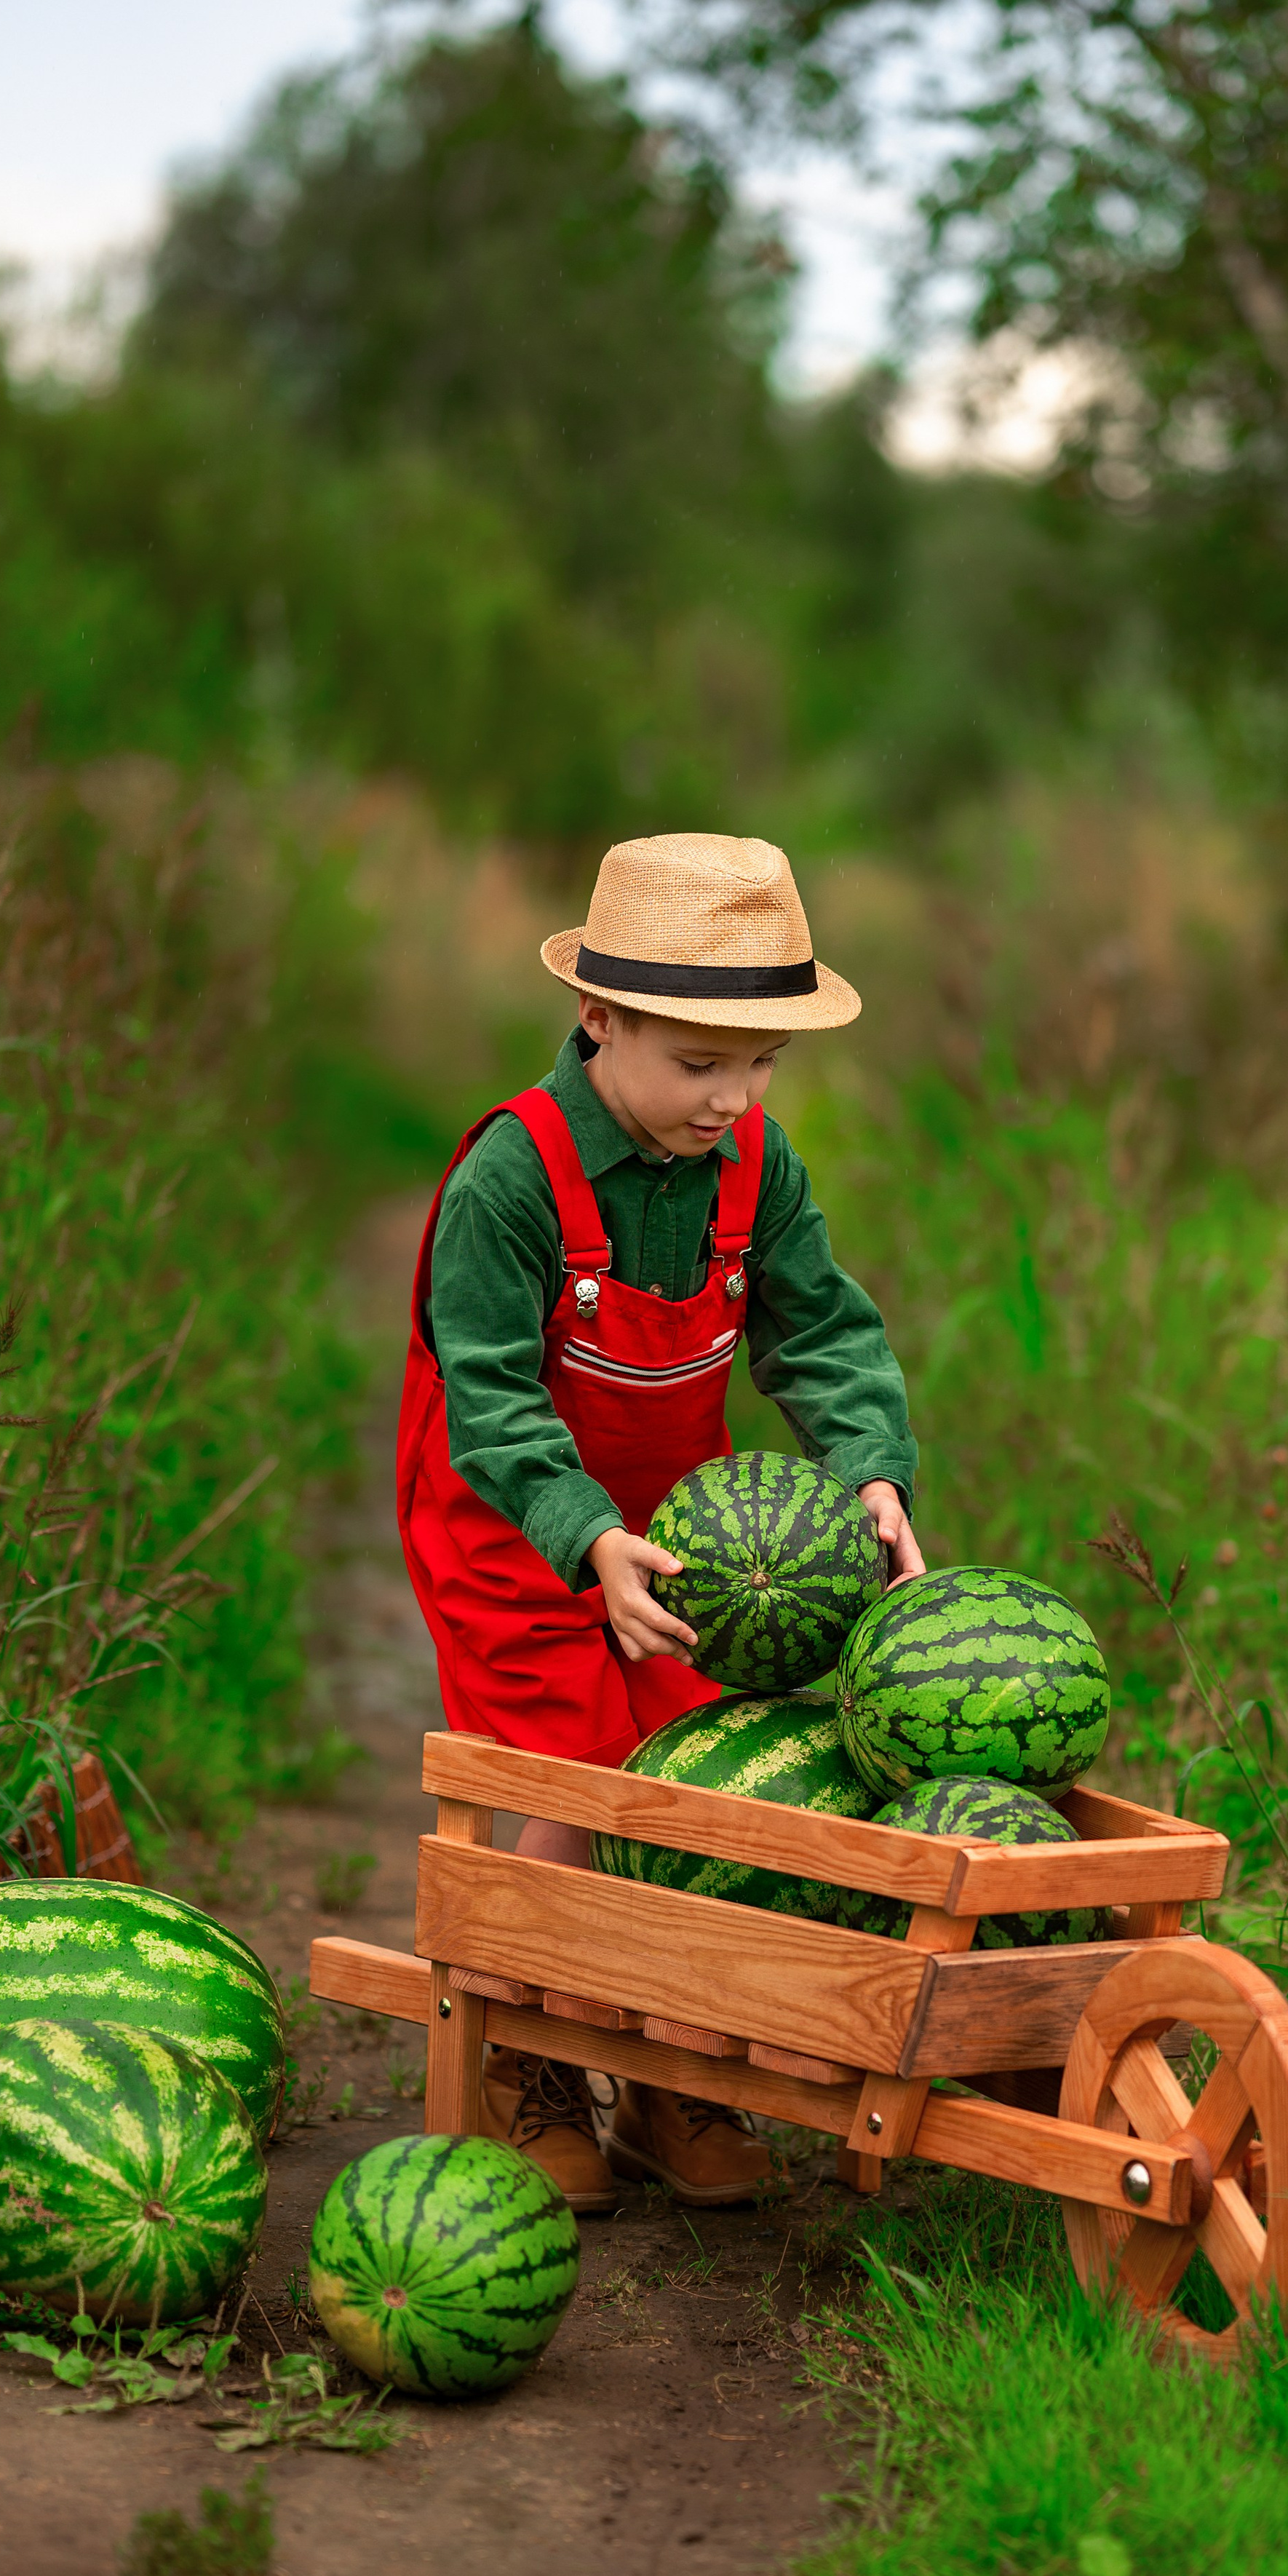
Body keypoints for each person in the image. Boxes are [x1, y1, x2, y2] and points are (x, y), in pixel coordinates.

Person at [397, 833, 921, 2209]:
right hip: (514, 1524)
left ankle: (677, 2071)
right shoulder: (511, 1179)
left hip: (683, 1533)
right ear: (600, 1018)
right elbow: (496, 1403)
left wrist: (870, 1464)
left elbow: (821, 1332)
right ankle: (532, 2062)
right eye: (699, 1063)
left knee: (697, 1772)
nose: (732, 1097)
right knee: (571, 1774)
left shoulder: (755, 1162)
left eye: (760, 1066)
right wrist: (583, 1538)